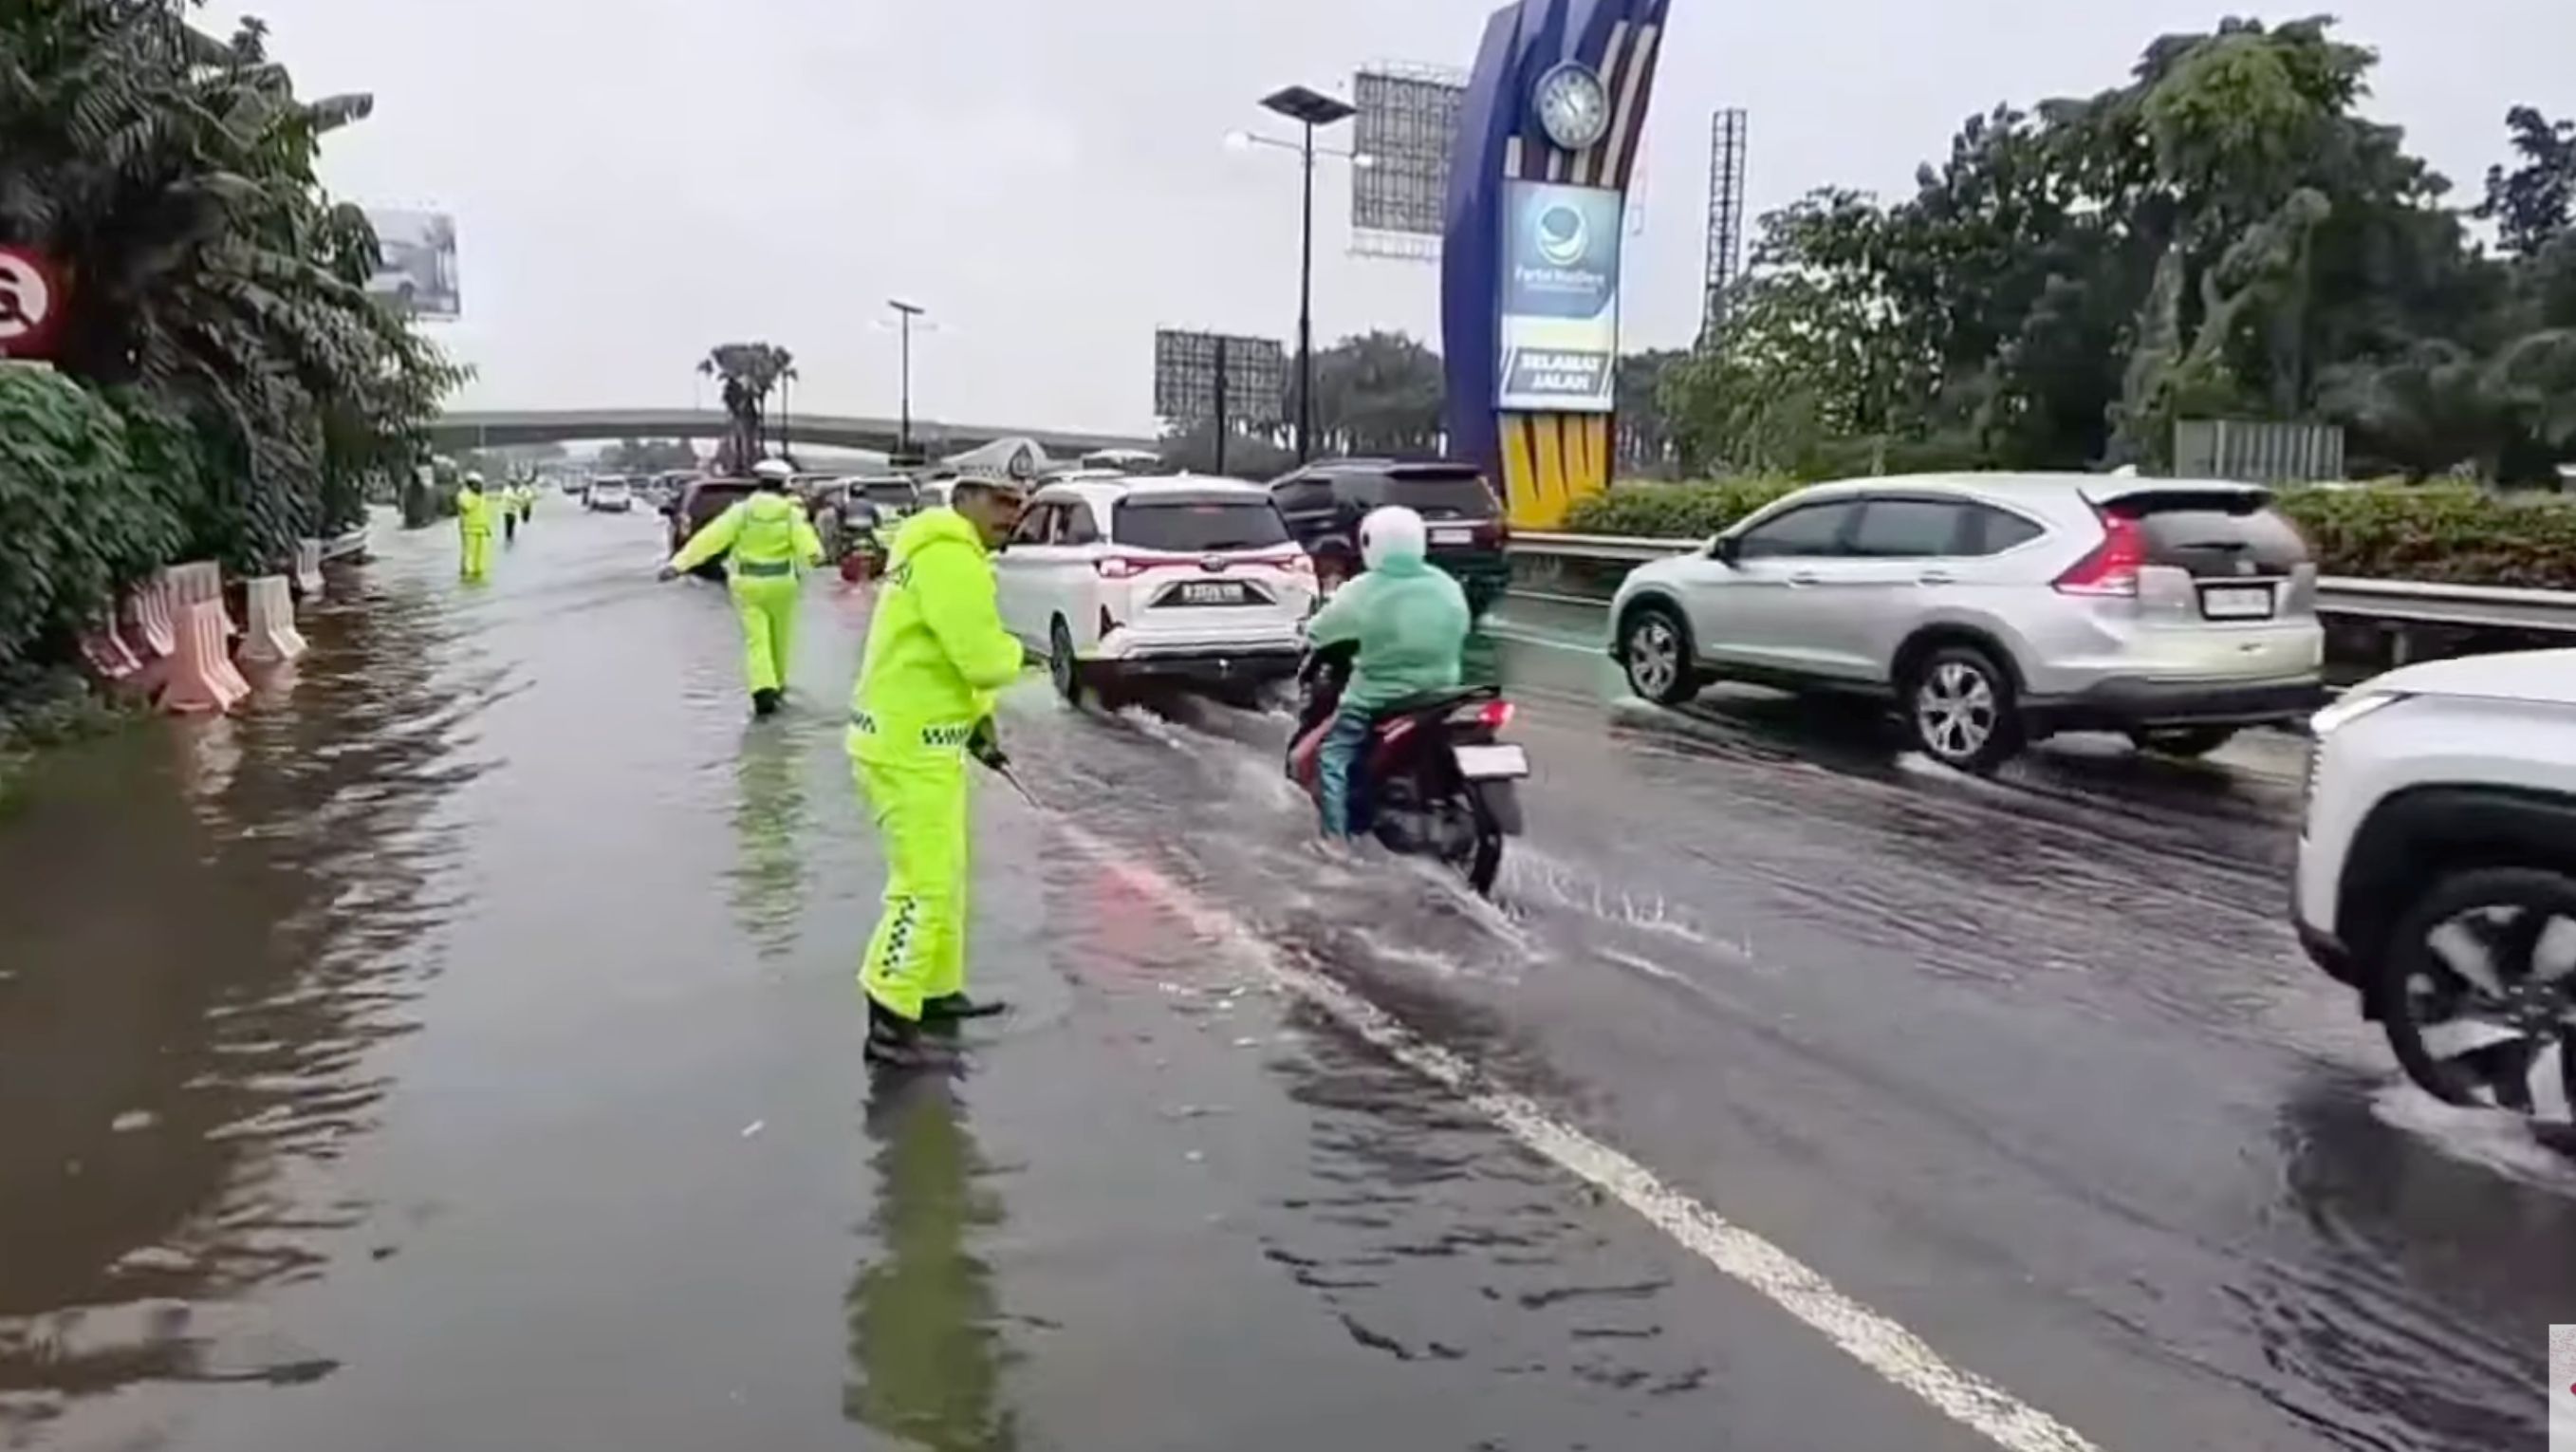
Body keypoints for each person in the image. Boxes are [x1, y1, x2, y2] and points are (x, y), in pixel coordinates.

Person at [846, 475, 1030, 1068]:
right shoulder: (949, 558)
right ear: (965, 500)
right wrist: (1021, 656)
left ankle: (934, 991)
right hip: (906, 748)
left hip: (924, 740)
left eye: (1019, 501)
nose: (1013, 512)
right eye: (999, 500)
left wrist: (978, 722)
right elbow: (980, 658)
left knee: (946, 876)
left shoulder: (938, 552)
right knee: (922, 886)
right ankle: (889, 1010)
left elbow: (944, 661)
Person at [1304, 505, 1472, 840]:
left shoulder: (1363, 589)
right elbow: (1462, 624)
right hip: (1441, 690)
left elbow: (1319, 632)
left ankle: (1335, 844)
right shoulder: (1445, 584)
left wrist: (1307, 632)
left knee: (1332, 758)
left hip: (1377, 697)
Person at [660, 457, 825, 717]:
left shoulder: (742, 512)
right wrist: (816, 558)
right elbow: (809, 546)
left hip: (748, 583)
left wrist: (678, 564)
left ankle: (762, 688)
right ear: (783, 484)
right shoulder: (790, 514)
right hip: (782, 583)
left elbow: (710, 538)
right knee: (780, 637)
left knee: (756, 640)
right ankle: (778, 685)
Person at [455, 473, 495, 581]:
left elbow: (484, 512)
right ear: (470, 484)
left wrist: (487, 528)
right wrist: (476, 498)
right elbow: (467, 506)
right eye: (476, 484)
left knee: (480, 558)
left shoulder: (481, 496)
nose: (479, 487)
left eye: (480, 484)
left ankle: (478, 576)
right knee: (470, 557)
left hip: (481, 529)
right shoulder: (463, 495)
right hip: (469, 530)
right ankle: (468, 577)